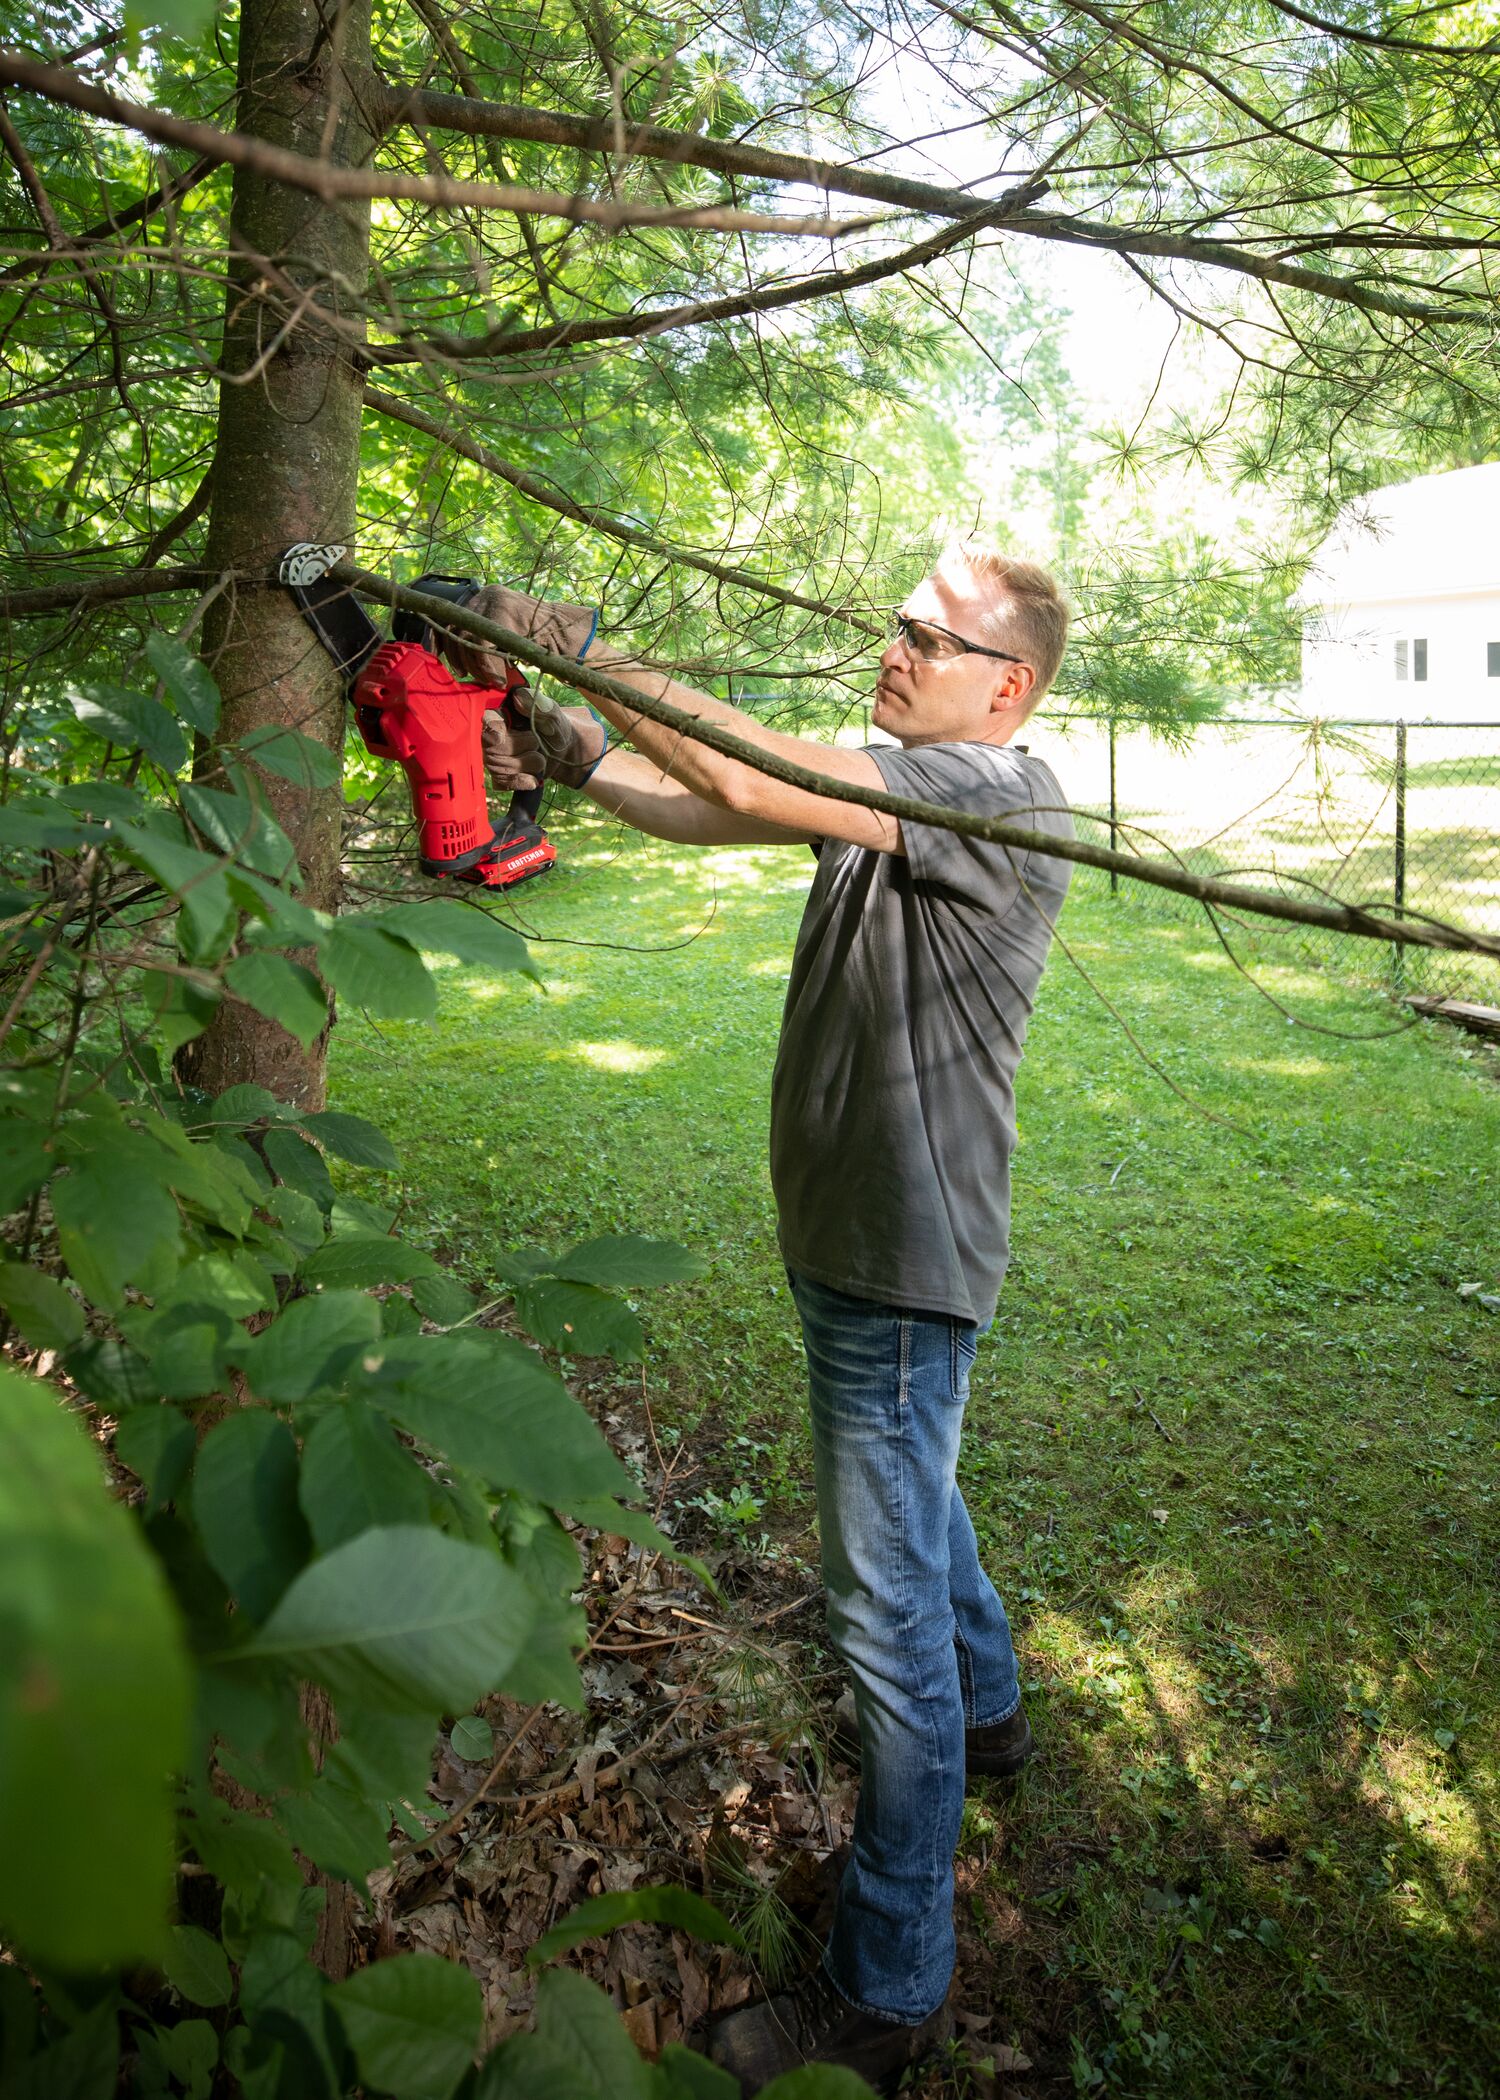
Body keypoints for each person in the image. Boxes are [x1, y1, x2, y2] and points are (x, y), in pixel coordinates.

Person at [453, 546, 1075, 2096]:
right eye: (898, 622)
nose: (897, 645)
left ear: (1007, 686)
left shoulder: (990, 794)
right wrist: (583, 756)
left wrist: (580, 648)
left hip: (899, 1256)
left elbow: (756, 761)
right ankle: (992, 1716)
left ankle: (891, 1981)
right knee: (918, 1492)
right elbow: (723, 802)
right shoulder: (902, 797)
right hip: (857, 1239)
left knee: (883, 1628)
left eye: (934, 638)